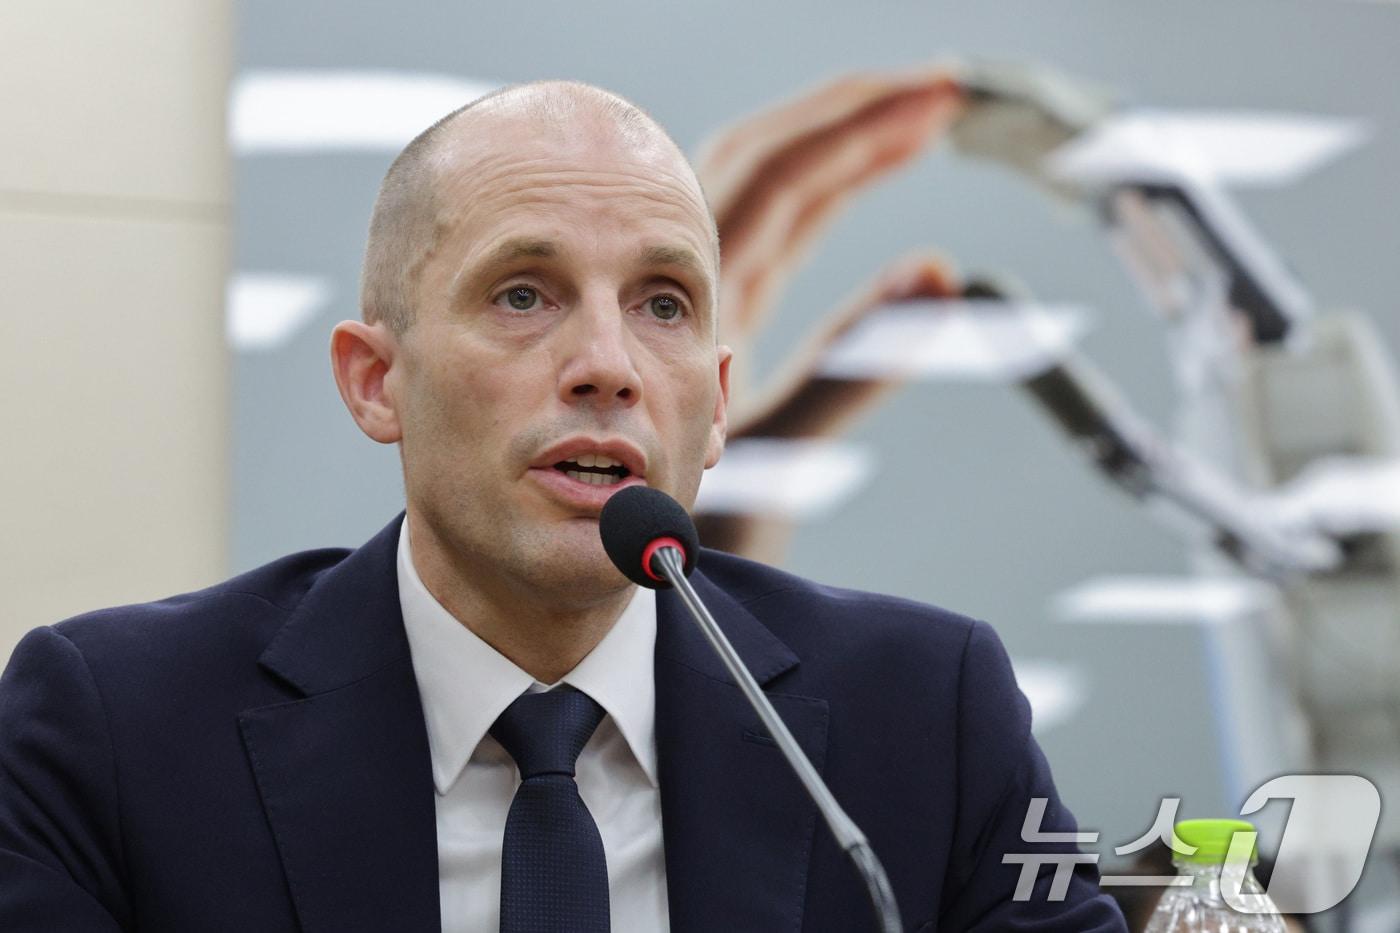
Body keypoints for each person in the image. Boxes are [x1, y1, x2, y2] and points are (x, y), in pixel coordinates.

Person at [0, 80, 1126, 931]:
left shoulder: (926, 720)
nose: (607, 364)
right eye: (523, 293)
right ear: (374, 380)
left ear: (719, 405)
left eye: (663, 304)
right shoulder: (112, 731)